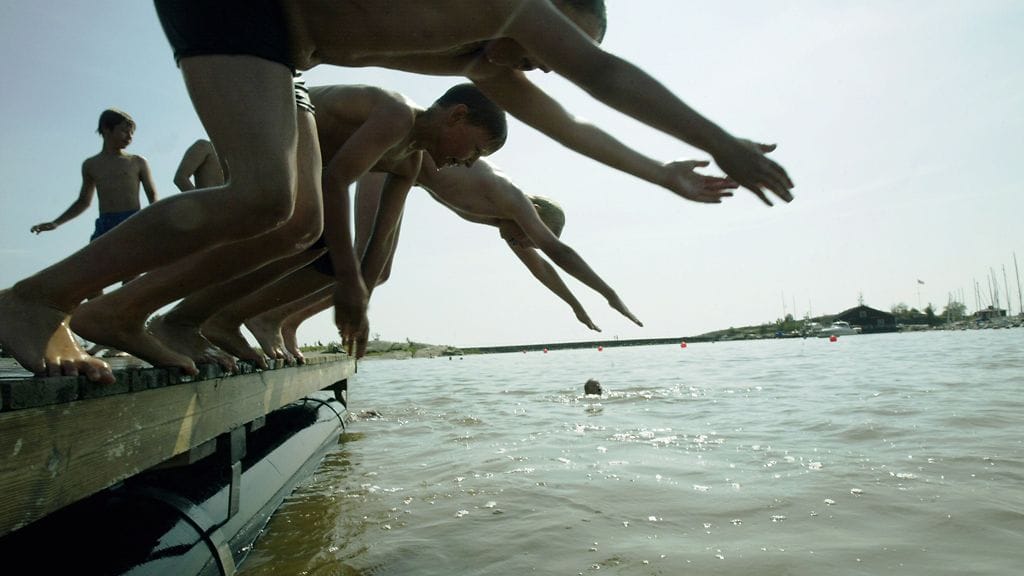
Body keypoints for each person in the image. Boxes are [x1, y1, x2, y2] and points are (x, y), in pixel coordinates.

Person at [0, 0, 791, 382]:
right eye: (559, 43)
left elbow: (574, 127)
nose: (549, 63)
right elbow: (603, 77)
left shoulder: (481, 63)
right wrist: (718, 141)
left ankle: (122, 313)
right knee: (268, 194)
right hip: (247, 8)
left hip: (287, 52)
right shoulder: (508, 6)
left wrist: (663, 172)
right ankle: (38, 299)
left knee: (294, 221)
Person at [208, 153, 734, 364]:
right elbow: (556, 253)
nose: (521, 246)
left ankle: (280, 319)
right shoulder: (508, 198)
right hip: (386, 166)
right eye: (526, 238)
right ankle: (260, 315)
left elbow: (540, 264)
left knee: (378, 274)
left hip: (405, 178)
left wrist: (576, 308)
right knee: (365, 265)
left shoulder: (506, 222)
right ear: (532, 220)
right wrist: (610, 294)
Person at [144, 83, 507, 370]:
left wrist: (361, 304)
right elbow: (334, 182)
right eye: (476, 150)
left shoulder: (409, 163)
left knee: (326, 252)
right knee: (307, 232)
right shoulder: (397, 116)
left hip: (295, 165)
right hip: (264, 125)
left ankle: (225, 318)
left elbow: (379, 242)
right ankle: (176, 319)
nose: (469, 162)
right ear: (457, 116)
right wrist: (349, 281)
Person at [30, 108, 158, 242]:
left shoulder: (137, 162)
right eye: (124, 131)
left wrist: (157, 220)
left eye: (131, 133)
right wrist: (56, 223)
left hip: (132, 221)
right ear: (106, 129)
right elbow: (84, 201)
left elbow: (152, 195)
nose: (129, 137)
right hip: (105, 224)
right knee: (98, 254)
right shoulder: (91, 165)